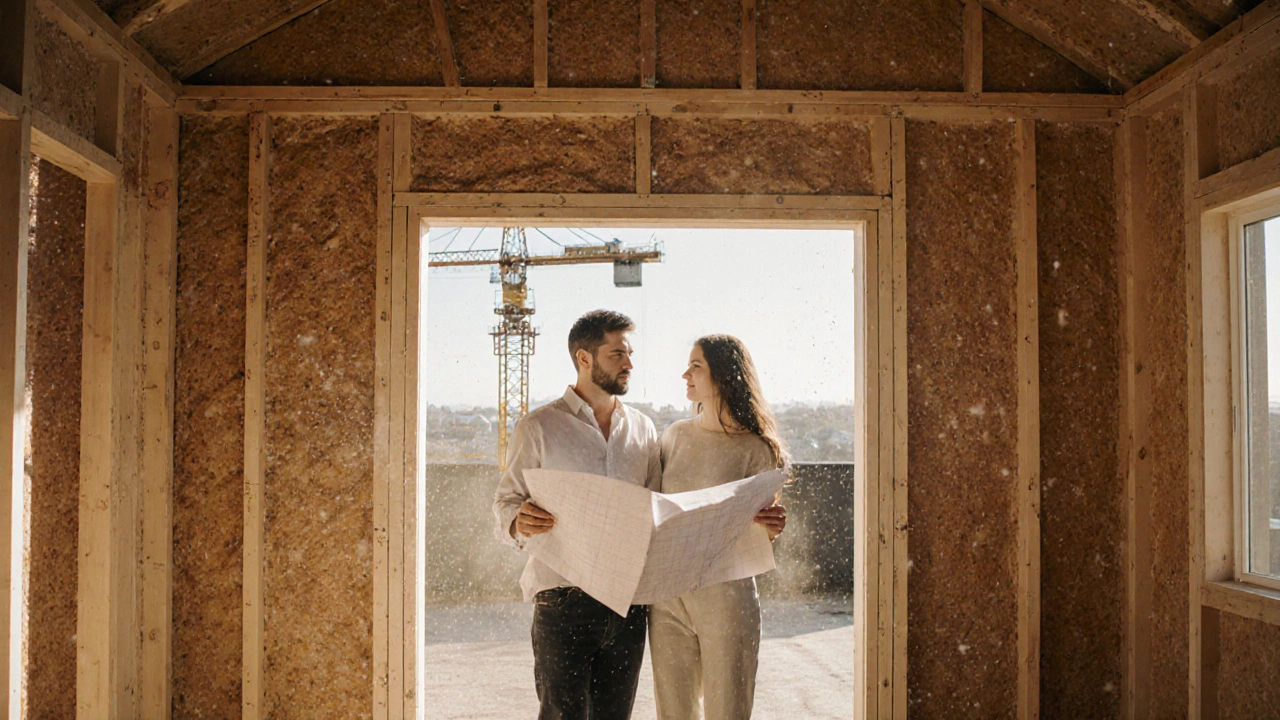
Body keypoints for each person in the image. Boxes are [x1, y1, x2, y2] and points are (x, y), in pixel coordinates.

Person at [493, 309, 661, 720]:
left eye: (629, 353)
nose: (629, 364)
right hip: (561, 601)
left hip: (627, 605)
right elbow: (505, 502)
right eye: (616, 354)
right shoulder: (538, 427)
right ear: (584, 359)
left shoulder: (643, 429)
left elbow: (656, 508)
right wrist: (518, 520)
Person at [648, 334, 789, 720]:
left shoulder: (756, 449)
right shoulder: (674, 437)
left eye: (696, 366)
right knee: (673, 713)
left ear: (724, 376)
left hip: (726, 598)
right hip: (668, 596)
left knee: (728, 710)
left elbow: (764, 534)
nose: (685, 374)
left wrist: (772, 525)